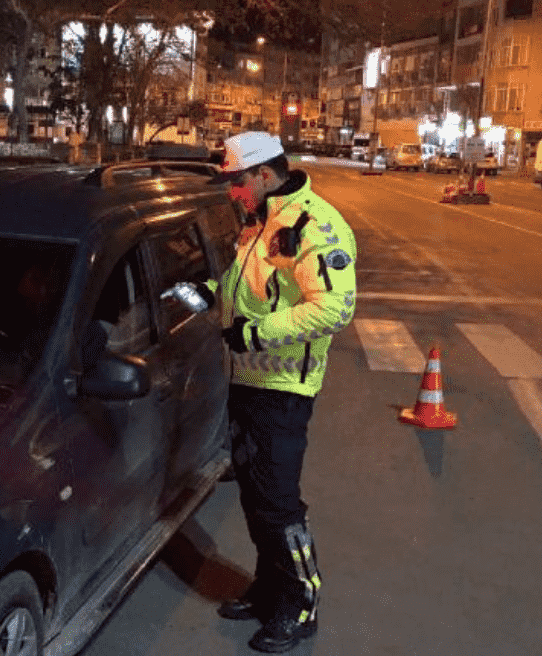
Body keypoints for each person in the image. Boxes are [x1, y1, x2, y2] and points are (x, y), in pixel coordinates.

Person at [172, 132, 357, 653]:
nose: (233, 193)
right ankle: (269, 589)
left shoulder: (314, 224)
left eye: (237, 182)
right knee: (255, 499)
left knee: (278, 505)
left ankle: (302, 604)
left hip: (283, 388)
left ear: (265, 175)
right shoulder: (261, 220)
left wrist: (253, 335)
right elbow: (244, 284)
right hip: (247, 380)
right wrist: (208, 293)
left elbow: (333, 309)